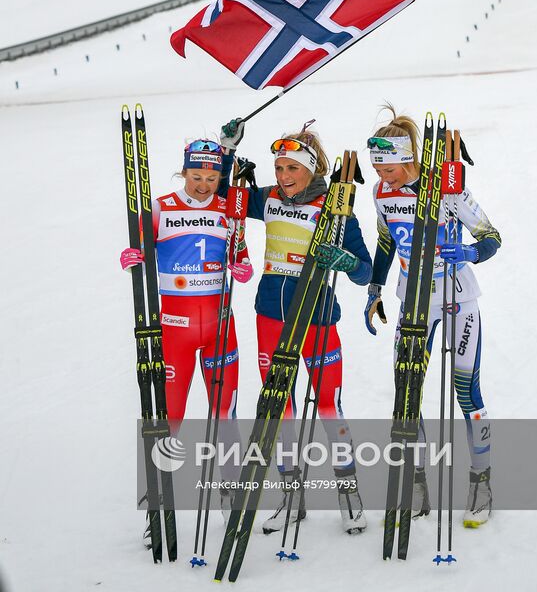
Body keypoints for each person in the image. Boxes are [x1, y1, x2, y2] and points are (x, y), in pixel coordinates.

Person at [220, 119, 372, 535]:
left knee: (328, 407)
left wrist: (346, 261)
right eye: (279, 167)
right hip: (270, 316)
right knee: (279, 409)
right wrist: (226, 152)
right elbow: (225, 195)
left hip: (316, 318)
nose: (284, 176)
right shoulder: (268, 198)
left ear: (311, 169)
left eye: (292, 168)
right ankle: (291, 498)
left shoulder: (335, 208)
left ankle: (349, 494)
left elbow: (365, 270)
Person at [364, 107, 501, 528]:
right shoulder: (381, 193)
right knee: (407, 392)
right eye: (377, 169)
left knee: (466, 391)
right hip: (414, 301)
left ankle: (481, 483)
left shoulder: (447, 188)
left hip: (458, 297)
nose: (383, 177)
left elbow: (491, 236)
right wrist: (375, 288)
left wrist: (471, 252)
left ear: (409, 160)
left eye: (389, 169)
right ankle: (417, 483)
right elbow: (386, 242)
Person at [119, 139, 252, 534]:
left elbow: (240, 256)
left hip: (220, 328)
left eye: (211, 178)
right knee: (170, 416)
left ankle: (231, 492)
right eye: (196, 176)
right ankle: (158, 499)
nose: (203, 185)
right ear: (184, 172)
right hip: (175, 330)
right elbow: (139, 249)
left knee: (224, 413)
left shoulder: (229, 210)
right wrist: (132, 256)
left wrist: (242, 266)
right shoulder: (161, 208)